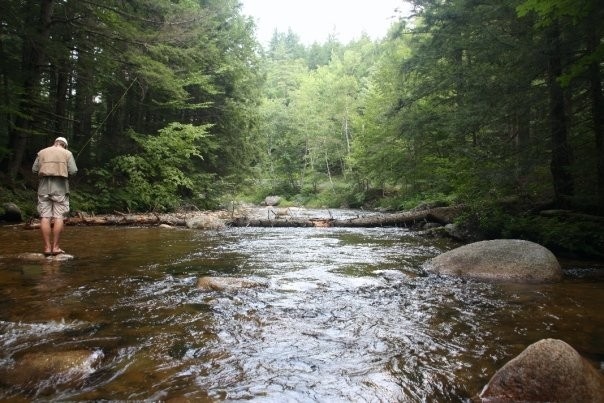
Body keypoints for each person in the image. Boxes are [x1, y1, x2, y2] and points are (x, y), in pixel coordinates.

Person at [32, 137, 78, 256]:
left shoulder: (42, 152)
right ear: (64, 145)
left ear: (55, 143)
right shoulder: (67, 153)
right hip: (60, 189)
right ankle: (55, 247)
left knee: (45, 217)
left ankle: (47, 248)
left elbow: (34, 169)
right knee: (58, 217)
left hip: (43, 188)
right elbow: (73, 171)